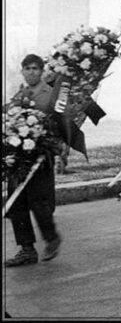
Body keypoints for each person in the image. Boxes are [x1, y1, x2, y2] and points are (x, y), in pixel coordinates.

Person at [4, 54, 62, 267]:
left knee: (39, 202)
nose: (31, 72)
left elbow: (60, 124)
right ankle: (27, 249)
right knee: (16, 203)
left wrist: (57, 149)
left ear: (42, 71)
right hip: (19, 157)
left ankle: (51, 238)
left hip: (40, 157)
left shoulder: (49, 95)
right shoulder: (19, 94)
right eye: (27, 68)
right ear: (22, 71)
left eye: (35, 68)